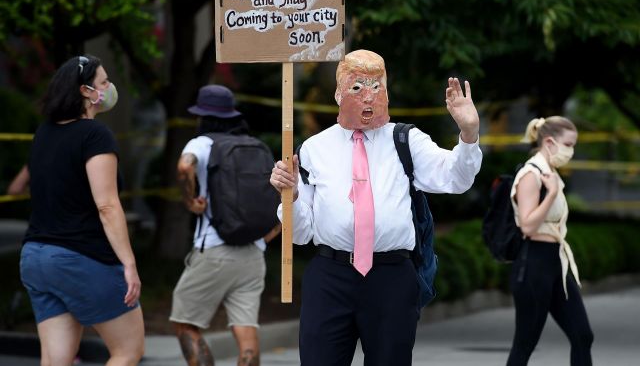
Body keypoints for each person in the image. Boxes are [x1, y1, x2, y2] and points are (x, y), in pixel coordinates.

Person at [269, 49, 482, 365]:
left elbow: (456, 179)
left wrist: (469, 133)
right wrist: (292, 197)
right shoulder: (314, 149)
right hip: (331, 276)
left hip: (391, 277)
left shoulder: (406, 140)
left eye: (377, 86)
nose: (368, 97)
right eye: (357, 87)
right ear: (339, 93)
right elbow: (300, 234)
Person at [19, 54, 145, 366]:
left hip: (35, 257)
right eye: (103, 82)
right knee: (127, 352)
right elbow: (106, 205)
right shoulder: (95, 135)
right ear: (87, 91)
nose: (109, 87)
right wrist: (129, 263)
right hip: (82, 257)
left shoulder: (44, 133)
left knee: (55, 360)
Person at [170, 84, 270, 366]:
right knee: (246, 332)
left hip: (215, 249)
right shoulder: (252, 145)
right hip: (253, 253)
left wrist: (190, 202)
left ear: (202, 115)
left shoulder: (201, 143)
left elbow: (184, 166)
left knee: (185, 323)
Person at [507, 116, 593, 365]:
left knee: (582, 335)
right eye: (568, 144)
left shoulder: (550, 173)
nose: (571, 151)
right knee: (525, 343)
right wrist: (552, 193)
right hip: (533, 262)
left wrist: (554, 187)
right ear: (549, 142)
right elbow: (528, 225)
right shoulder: (531, 174)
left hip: (556, 261)